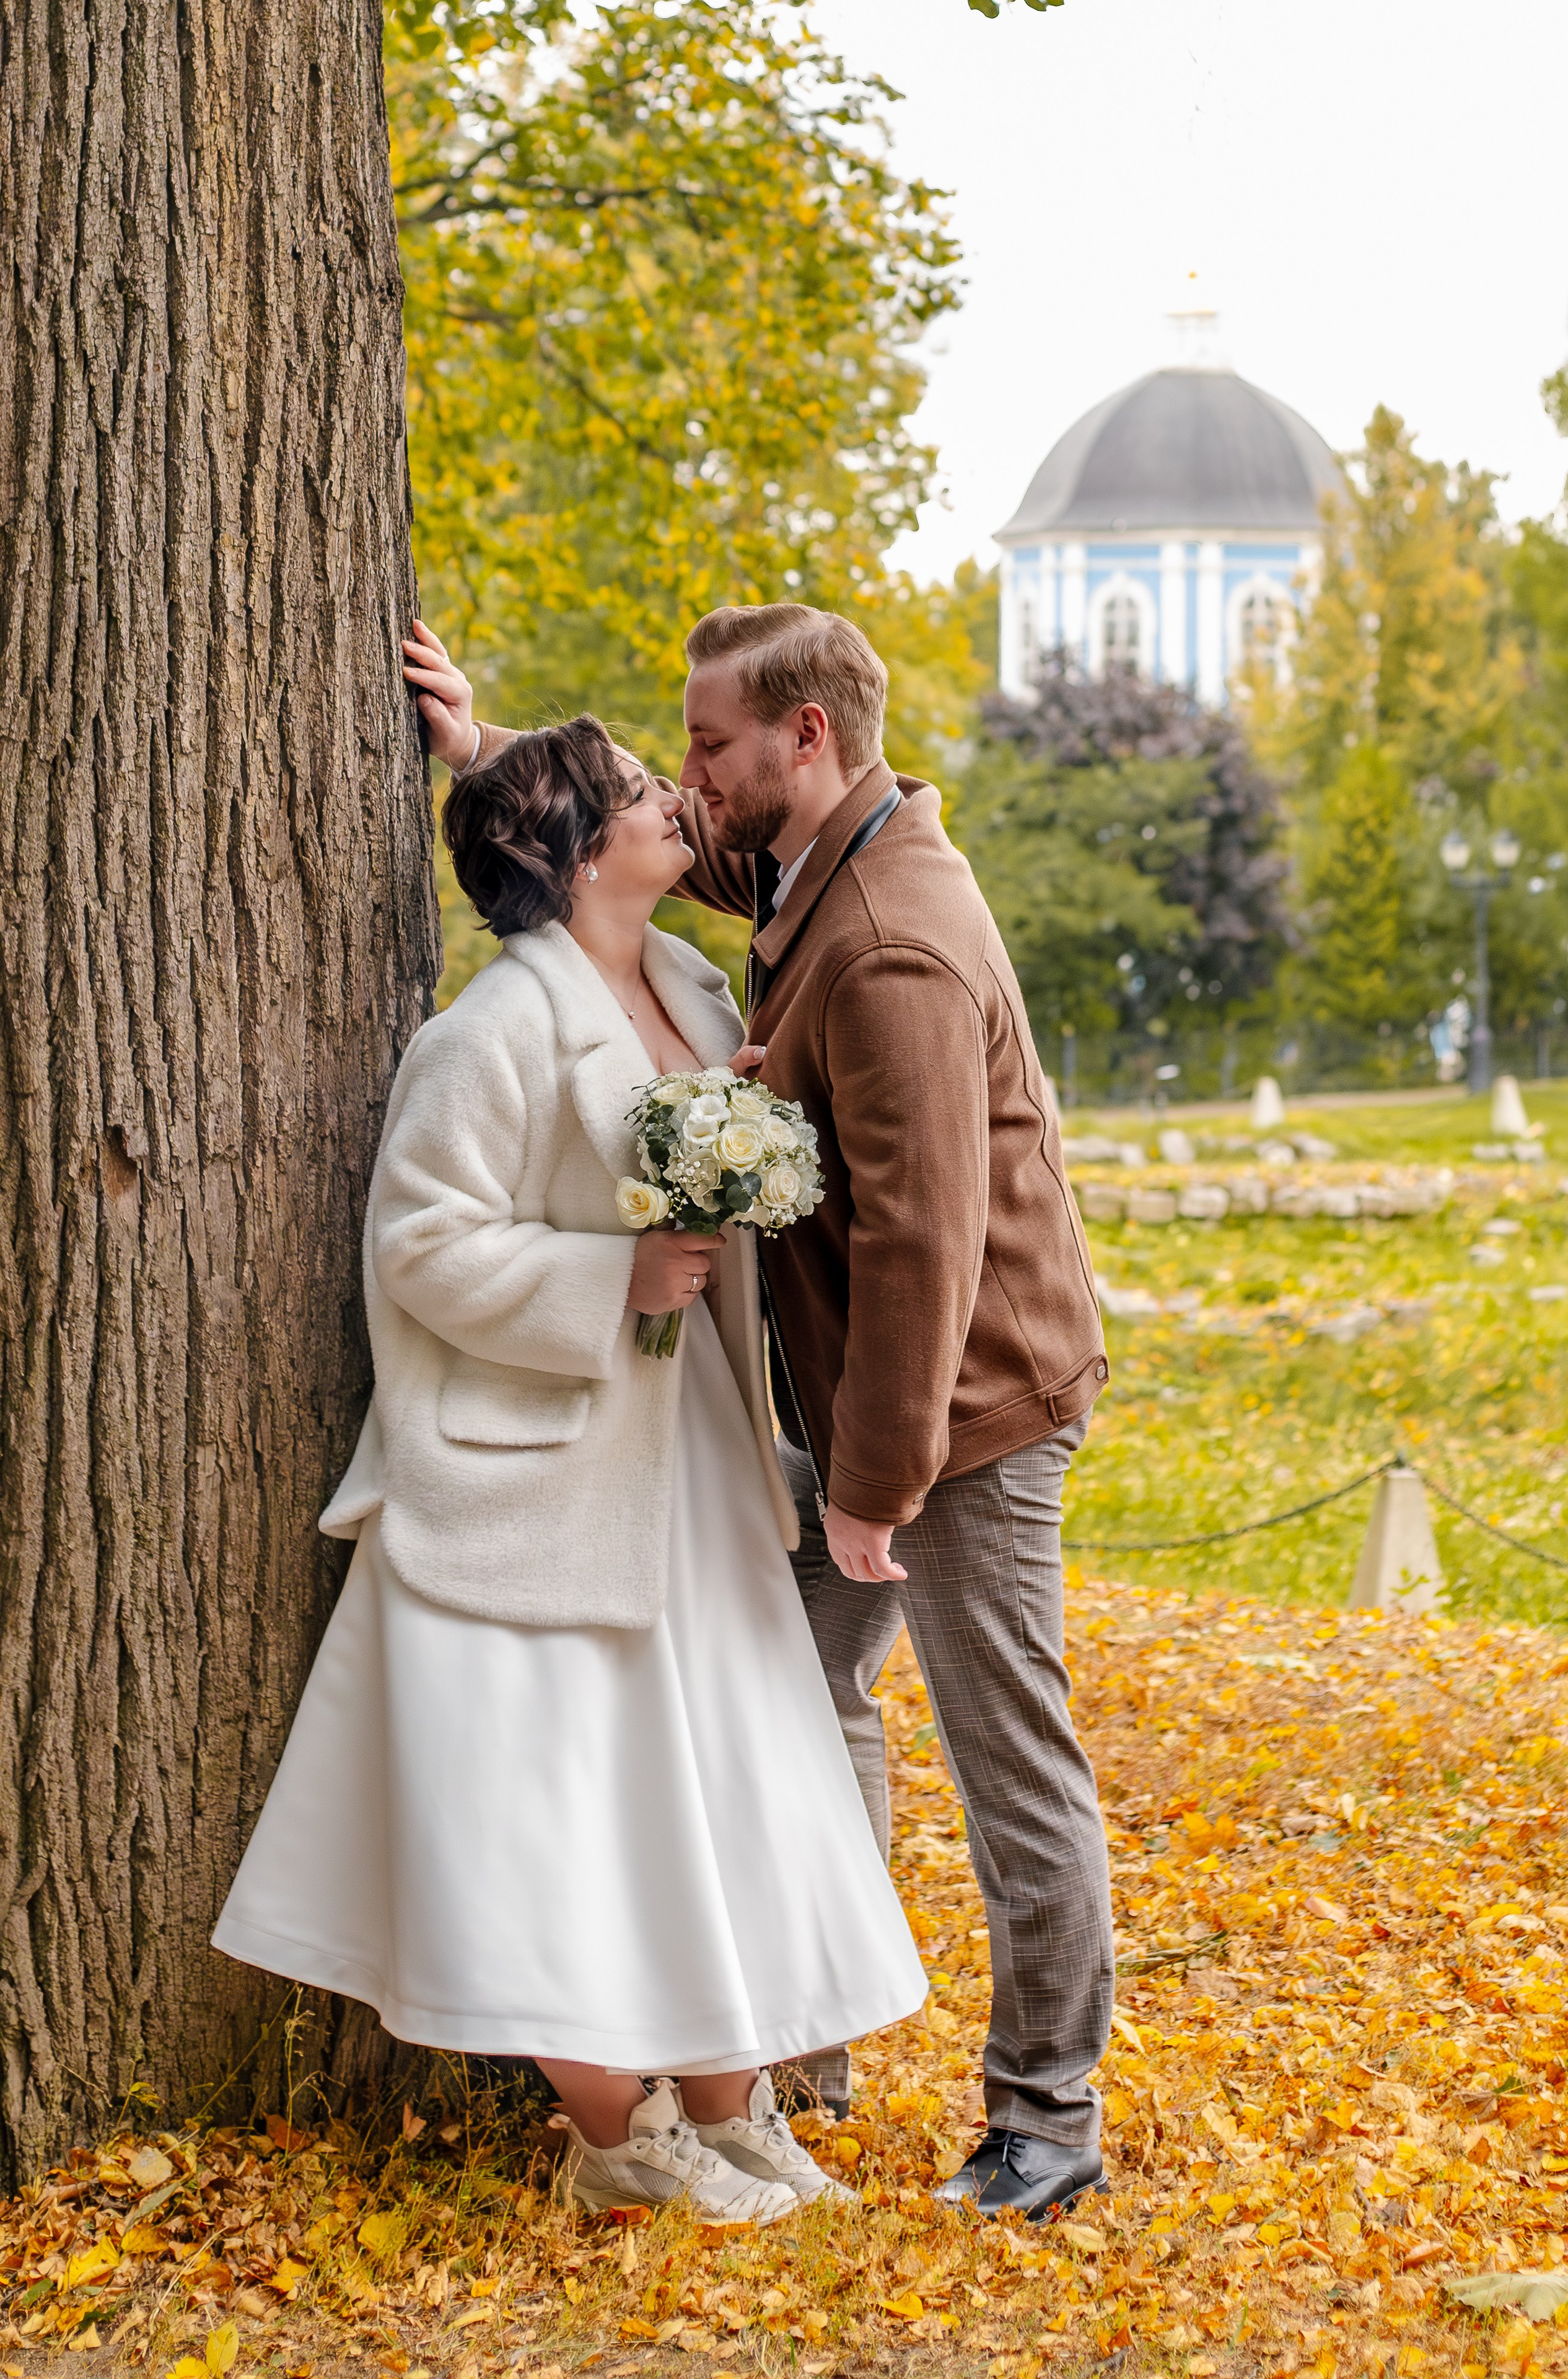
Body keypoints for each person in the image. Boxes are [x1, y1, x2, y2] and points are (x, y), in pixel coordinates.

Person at [406, 605, 1115, 2222]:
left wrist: (872, 1488)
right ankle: (801, 2049)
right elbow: (635, 854)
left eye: (710, 743)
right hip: (873, 1401)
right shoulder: (815, 856)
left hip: (966, 1414)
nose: (690, 776)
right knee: (795, 1698)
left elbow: (926, 1249)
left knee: (1011, 1760)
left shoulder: (890, 942)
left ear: (807, 735)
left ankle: (1045, 2124)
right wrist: (485, 751)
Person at [212, 713, 926, 2223]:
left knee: (719, 1782)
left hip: (695, 1453)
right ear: (577, 853)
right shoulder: (489, 1031)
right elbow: (420, 1242)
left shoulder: (688, 985)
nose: (674, 801)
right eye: (638, 793)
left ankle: (730, 2110)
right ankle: (620, 2137)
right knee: (561, 1812)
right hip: (541, 1472)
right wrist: (610, 1278)